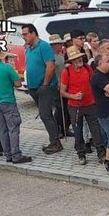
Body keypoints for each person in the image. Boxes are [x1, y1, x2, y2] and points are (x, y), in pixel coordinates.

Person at [0, 51, 31, 164]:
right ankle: (16, 155)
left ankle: (8, 154)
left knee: (2, 130)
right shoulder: (7, 68)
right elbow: (18, 84)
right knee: (13, 128)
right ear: (1, 56)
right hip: (8, 101)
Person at [21, 25, 63, 154]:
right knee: (46, 115)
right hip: (34, 88)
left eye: (25, 34)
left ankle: (55, 143)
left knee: (45, 115)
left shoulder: (44, 46)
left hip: (45, 87)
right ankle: (55, 139)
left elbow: (50, 66)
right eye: (22, 35)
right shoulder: (28, 48)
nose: (23, 37)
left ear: (33, 33)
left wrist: (45, 85)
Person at [60, 46, 104, 165]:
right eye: (75, 58)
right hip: (74, 106)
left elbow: (94, 82)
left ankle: (101, 154)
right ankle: (81, 154)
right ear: (71, 61)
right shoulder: (66, 72)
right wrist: (73, 96)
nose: (79, 60)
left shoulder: (87, 68)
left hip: (90, 104)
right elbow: (62, 92)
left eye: (79, 57)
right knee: (77, 131)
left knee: (95, 130)